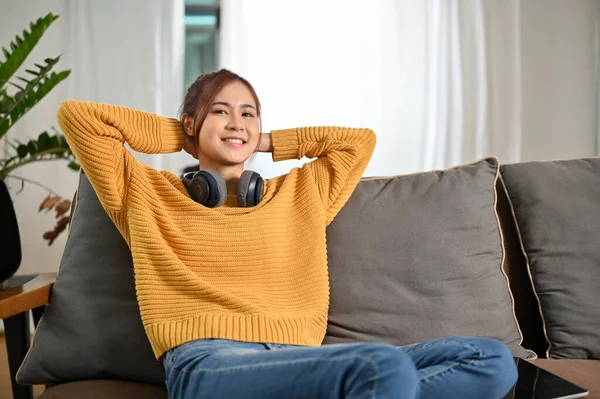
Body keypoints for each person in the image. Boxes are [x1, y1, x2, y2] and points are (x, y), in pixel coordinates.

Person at [57, 68, 517, 399]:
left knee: (492, 361)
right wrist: (188, 133)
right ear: (192, 125)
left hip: (301, 359)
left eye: (248, 114)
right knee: (382, 367)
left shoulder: (300, 192)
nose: (237, 122)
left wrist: (266, 139)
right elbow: (79, 117)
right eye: (221, 111)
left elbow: (358, 141)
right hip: (208, 363)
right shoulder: (146, 192)